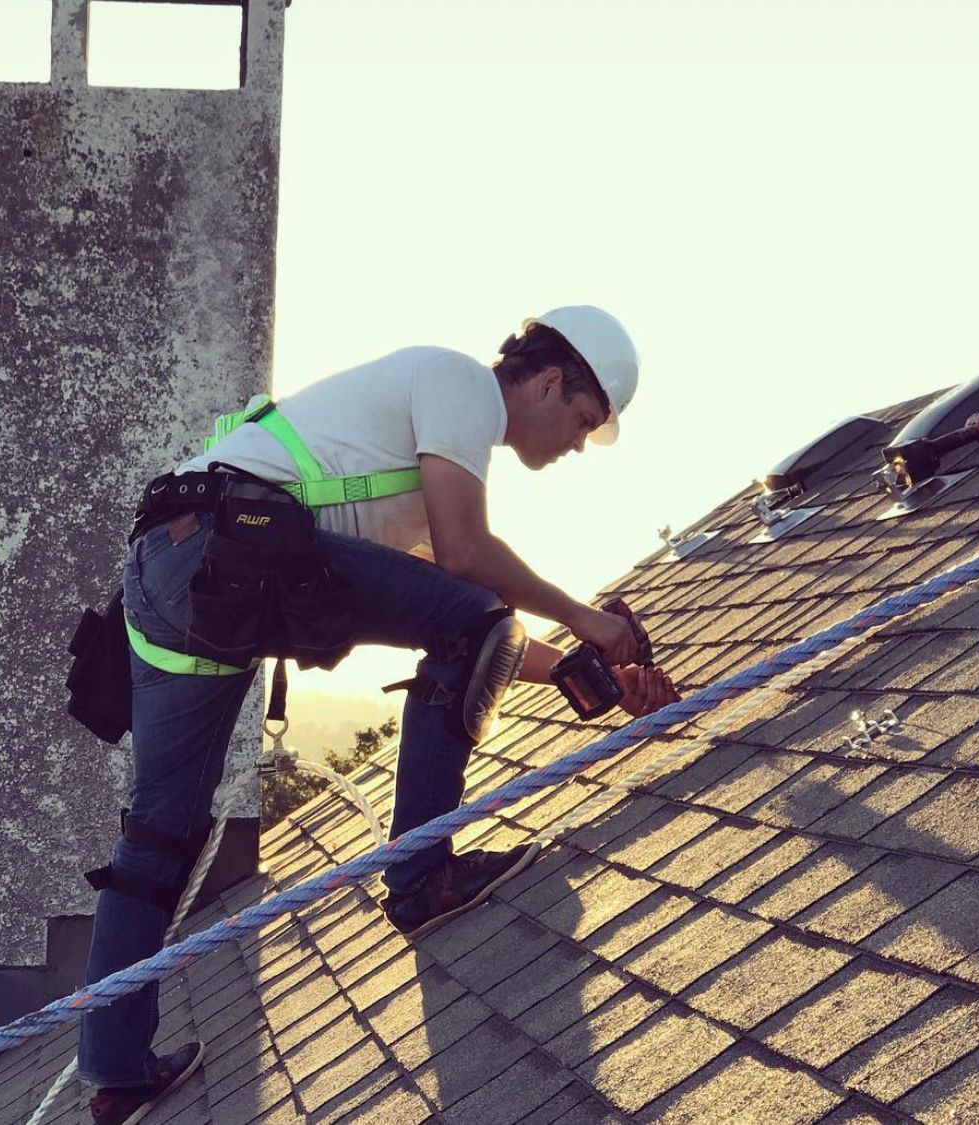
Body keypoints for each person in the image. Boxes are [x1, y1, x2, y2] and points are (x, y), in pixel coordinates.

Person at [77, 305, 679, 1123]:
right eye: (580, 421)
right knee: (474, 613)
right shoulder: (461, 382)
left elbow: (480, 632)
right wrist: (594, 622)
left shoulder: (405, 488)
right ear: (545, 381)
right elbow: (472, 575)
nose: (576, 444)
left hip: (174, 568)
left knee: (159, 832)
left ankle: (115, 1070)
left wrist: (589, 677)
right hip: (235, 546)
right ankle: (421, 875)